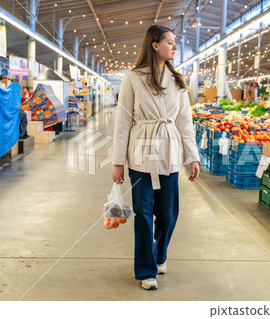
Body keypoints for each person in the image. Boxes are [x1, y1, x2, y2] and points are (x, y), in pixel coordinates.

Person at [112, 25, 200, 290]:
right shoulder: (133, 78)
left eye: (175, 43)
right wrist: (118, 162)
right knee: (143, 214)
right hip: (141, 156)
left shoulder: (177, 81)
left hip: (170, 154)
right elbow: (122, 123)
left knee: (169, 214)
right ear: (155, 45)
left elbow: (185, 122)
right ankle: (146, 270)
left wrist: (192, 157)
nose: (174, 47)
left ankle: (159, 254)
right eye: (170, 42)